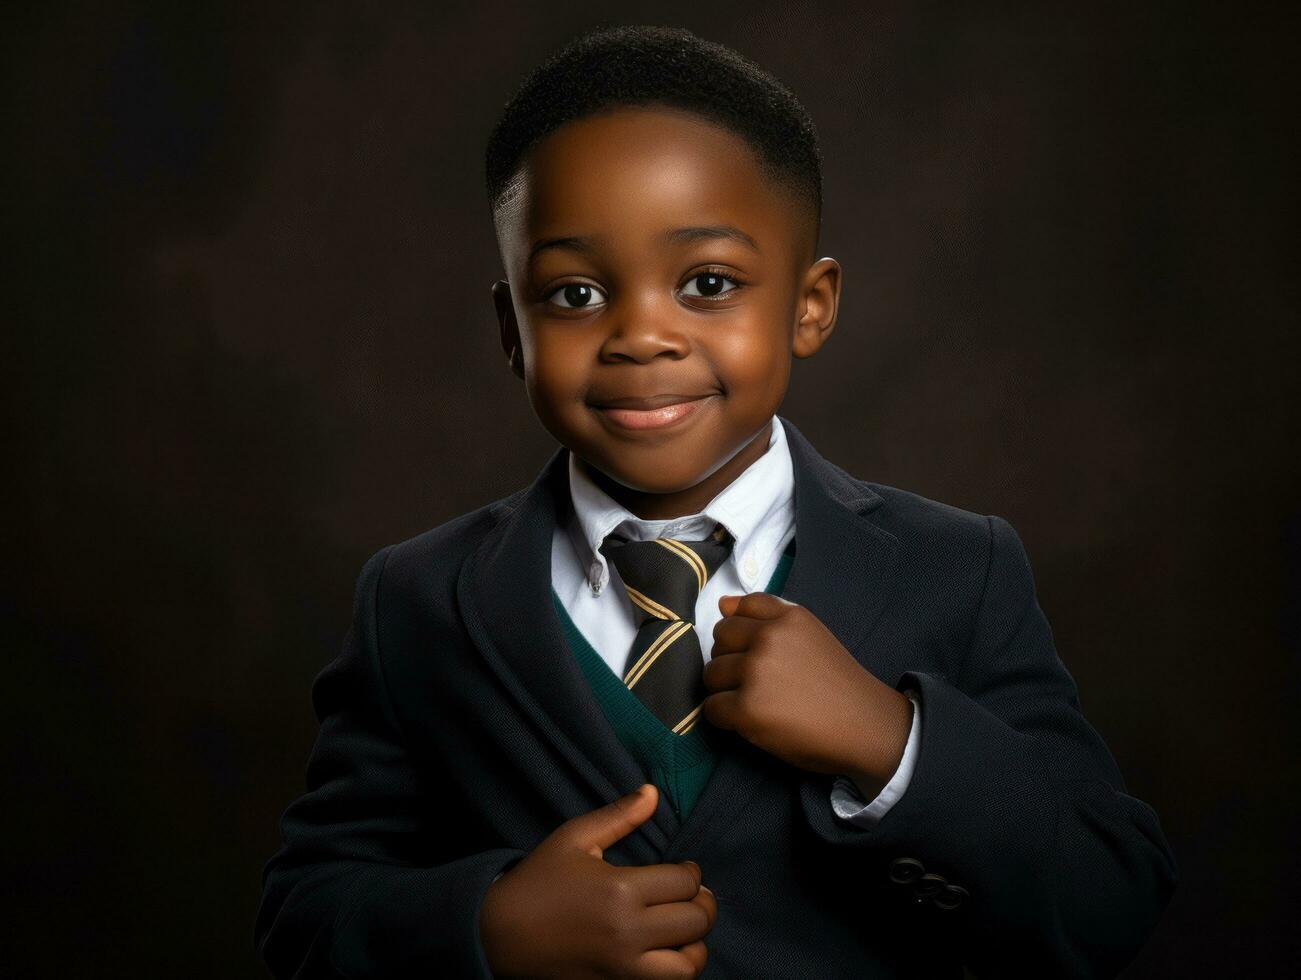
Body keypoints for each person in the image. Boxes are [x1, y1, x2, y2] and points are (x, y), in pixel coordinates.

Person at [255, 25, 1176, 979]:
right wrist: (486, 928)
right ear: (510, 328)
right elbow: (303, 919)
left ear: (809, 306)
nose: (640, 336)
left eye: (707, 284)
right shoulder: (418, 600)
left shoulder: (958, 569)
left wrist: (890, 741)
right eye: (573, 293)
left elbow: (1109, 895)